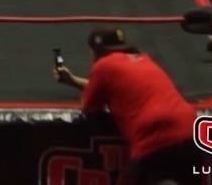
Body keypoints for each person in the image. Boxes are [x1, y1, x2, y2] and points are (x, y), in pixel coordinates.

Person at [54, 27, 202, 185]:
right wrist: (73, 80)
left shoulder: (103, 65)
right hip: (190, 130)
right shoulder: (143, 59)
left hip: (155, 136)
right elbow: (120, 87)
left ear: (94, 51)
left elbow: (89, 107)